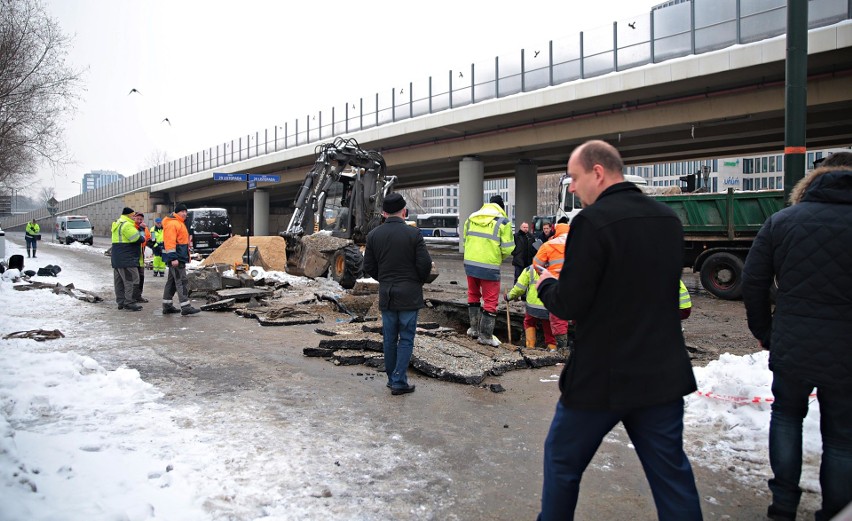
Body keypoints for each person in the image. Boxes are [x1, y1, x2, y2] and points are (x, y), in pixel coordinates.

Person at [535, 140, 701, 520]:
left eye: (574, 178)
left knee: (562, 463)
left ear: (598, 172)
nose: (572, 188)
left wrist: (545, 283)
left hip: (602, 377)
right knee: (671, 476)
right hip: (662, 374)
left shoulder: (591, 223)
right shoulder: (668, 220)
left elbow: (571, 303)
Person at [742, 156, 852, 521]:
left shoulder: (783, 221)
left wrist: (765, 332)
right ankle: (835, 511)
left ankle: (783, 505)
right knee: (841, 437)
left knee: (786, 417)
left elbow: (753, 282)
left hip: (792, 343)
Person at [363, 193, 433, 396]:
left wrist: (385, 280)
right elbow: (425, 264)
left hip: (388, 293)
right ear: (404, 211)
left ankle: (391, 378)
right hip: (409, 295)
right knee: (406, 338)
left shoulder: (373, 235)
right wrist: (416, 282)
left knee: (389, 338)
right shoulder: (414, 234)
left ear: (383, 213)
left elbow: (369, 266)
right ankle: (399, 381)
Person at [462, 194, 515, 347]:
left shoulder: (471, 218)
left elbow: (466, 239)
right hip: (489, 266)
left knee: (473, 294)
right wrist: (497, 257)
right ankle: (485, 336)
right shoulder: (503, 222)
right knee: (490, 301)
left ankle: (473, 329)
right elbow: (509, 248)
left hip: (470, 263)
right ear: (501, 208)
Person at [533, 221, 571, 350]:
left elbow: (536, 264)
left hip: (557, 285)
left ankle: (562, 350)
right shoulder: (581, 243)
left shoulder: (549, 245)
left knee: (558, 317)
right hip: (579, 284)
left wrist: (545, 277)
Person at [505, 262, 555, 351]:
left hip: (532, 308)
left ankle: (530, 347)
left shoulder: (530, 269)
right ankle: (552, 348)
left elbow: (519, 289)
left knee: (529, 323)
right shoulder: (557, 268)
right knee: (549, 326)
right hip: (549, 307)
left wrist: (509, 296)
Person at [162, 203, 200, 316]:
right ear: (176, 212)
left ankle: (167, 305)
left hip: (178, 257)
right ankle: (186, 306)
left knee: (172, 282)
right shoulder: (173, 224)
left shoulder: (179, 223)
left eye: (185, 212)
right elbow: (170, 242)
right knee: (181, 281)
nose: (184, 213)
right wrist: (173, 258)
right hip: (177, 258)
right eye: (182, 211)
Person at [111, 207, 145, 311]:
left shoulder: (117, 223)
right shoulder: (127, 225)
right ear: (129, 215)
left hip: (118, 258)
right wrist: (141, 234)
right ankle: (129, 302)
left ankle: (121, 302)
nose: (134, 217)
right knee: (132, 279)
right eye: (133, 215)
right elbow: (137, 238)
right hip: (127, 258)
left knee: (119, 281)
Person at [132, 212, 151, 304]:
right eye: (137, 219)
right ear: (134, 218)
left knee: (141, 276)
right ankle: (132, 296)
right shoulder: (132, 227)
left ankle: (138, 295)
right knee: (134, 277)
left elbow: (147, 238)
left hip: (141, 254)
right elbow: (137, 238)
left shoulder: (145, 228)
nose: (139, 221)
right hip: (133, 255)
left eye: (141, 219)